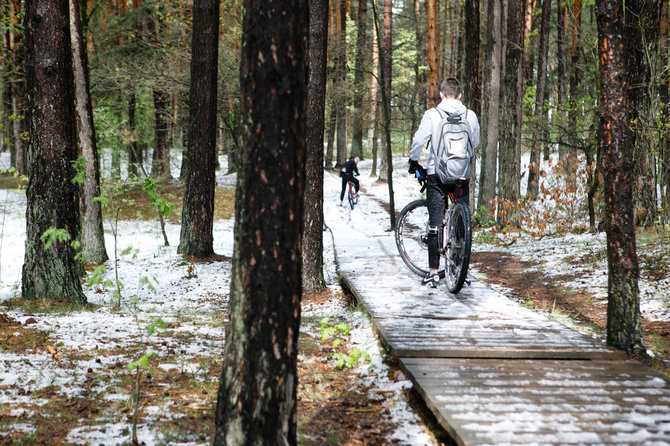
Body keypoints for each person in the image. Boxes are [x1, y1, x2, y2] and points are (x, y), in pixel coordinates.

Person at [408, 77, 480, 288]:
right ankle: (460, 271)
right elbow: (473, 143)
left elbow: (419, 141)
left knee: (435, 223)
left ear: (441, 94)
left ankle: (433, 273)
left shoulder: (432, 114)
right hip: (461, 175)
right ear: (459, 95)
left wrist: (414, 160)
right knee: (461, 222)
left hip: (436, 174)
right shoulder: (470, 115)